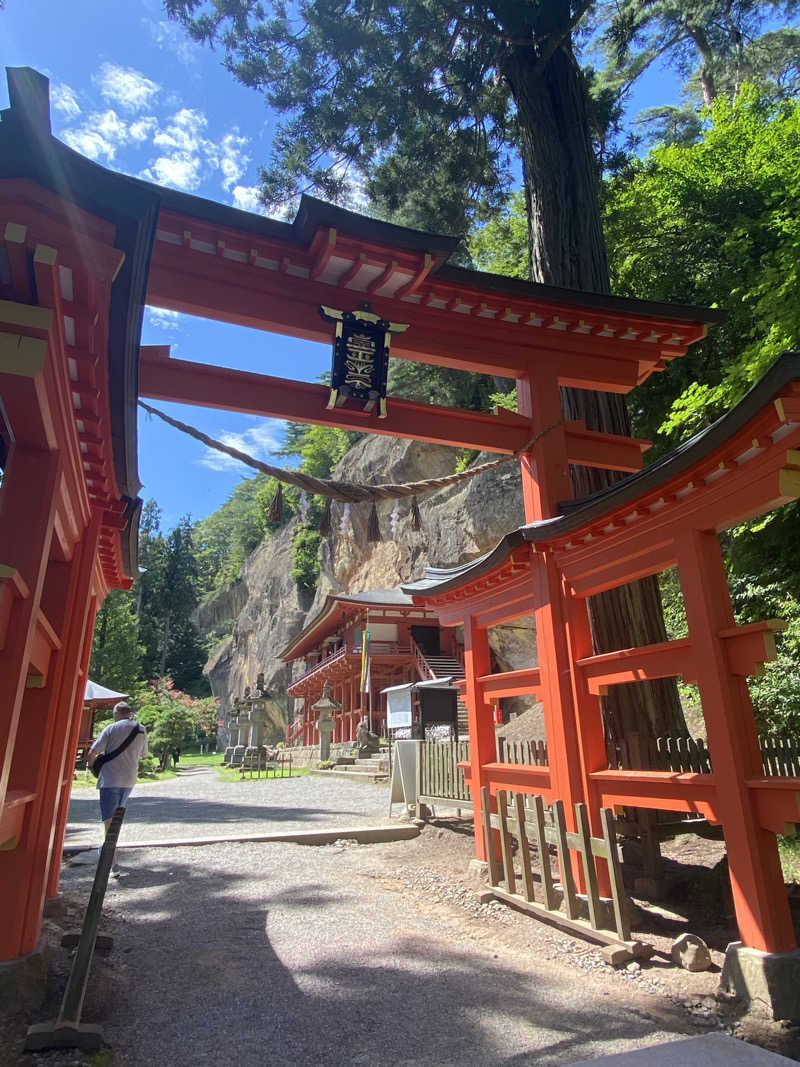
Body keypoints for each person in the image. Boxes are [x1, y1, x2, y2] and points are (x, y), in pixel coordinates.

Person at [88, 701, 148, 875]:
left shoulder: (111, 728)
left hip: (109, 780)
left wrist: (92, 768)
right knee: (116, 819)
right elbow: (144, 754)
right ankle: (108, 854)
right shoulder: (141, 729)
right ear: (129, 713)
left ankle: (112, 863)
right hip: (129, 780)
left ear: (117, 713)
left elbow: (93, 752)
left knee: (108, 821)